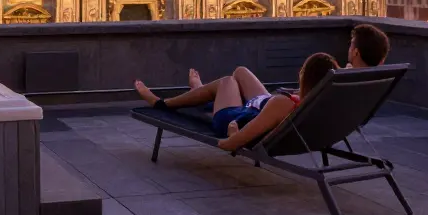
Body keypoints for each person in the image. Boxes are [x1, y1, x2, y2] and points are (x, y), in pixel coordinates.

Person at [134, 53, 339, 151]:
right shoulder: (323, 101)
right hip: (260, 105)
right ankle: (200, 91)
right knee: (241, 71)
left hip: (235, 117)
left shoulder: (283, 105)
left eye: (302, 71)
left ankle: (163, 103)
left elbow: (232, 143)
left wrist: (233, 135)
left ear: (306, 78)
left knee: (228, 81)